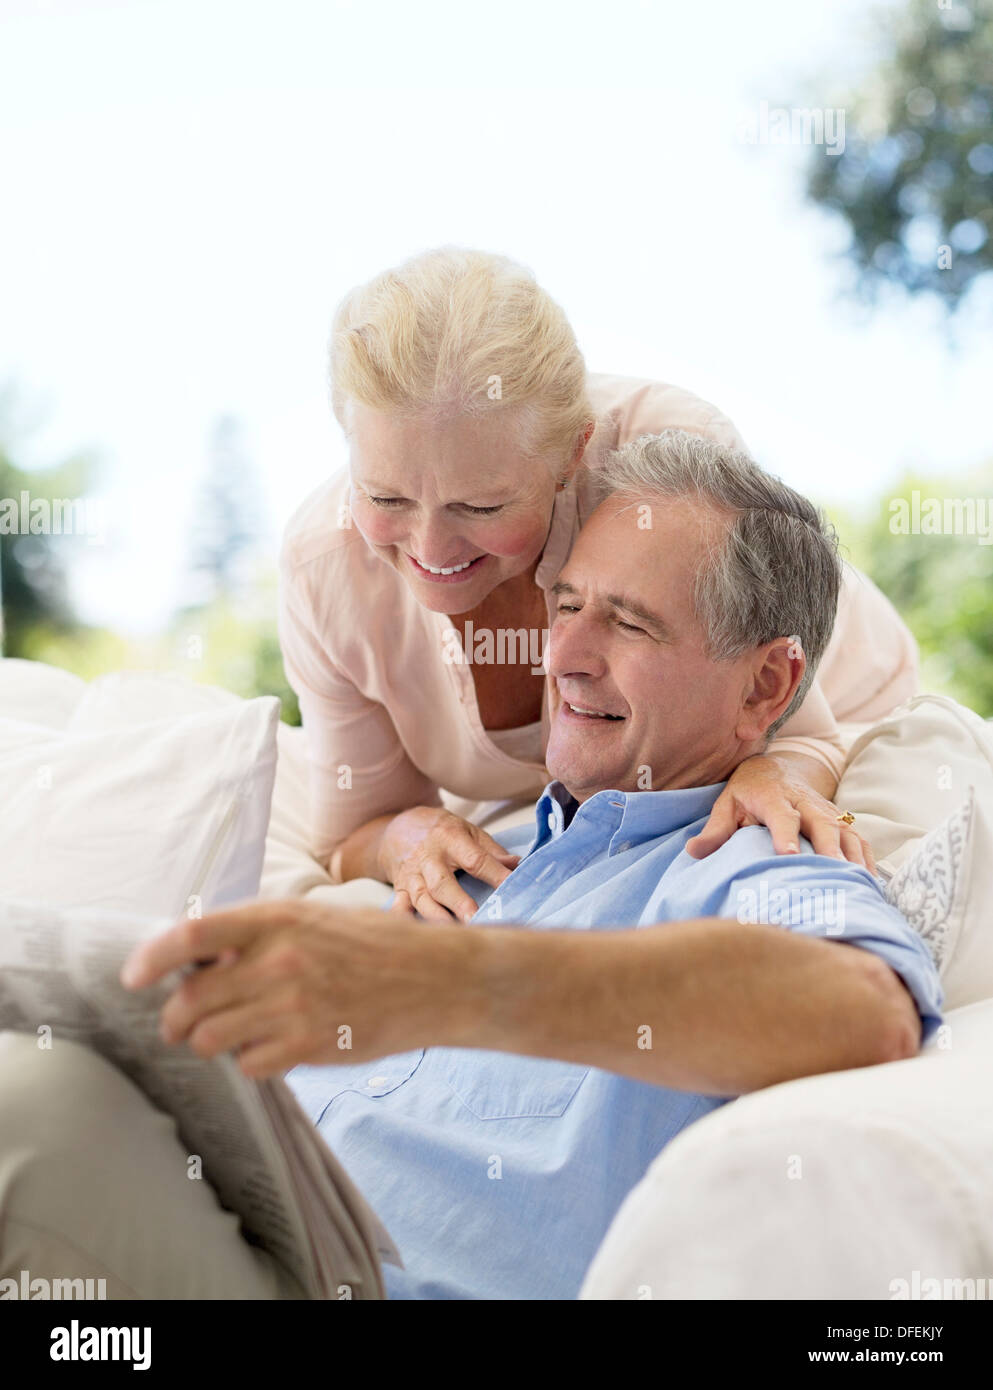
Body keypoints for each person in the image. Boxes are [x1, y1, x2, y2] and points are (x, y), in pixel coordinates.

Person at [0, 429, 939, 1301]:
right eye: (565, 604)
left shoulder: (740, 863)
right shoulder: (488, 855)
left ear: (764, 684)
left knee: (35, 1109)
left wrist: (448, 982)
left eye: (630, 624)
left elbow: (860, 1009)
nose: (563, 656)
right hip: (234, 1215)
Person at [279, 246, 917, 921]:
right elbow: (355, 831)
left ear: (572, 454)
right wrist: (405, 837)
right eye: (385, 497)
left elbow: (795, 735)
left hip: (838, 716)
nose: (430, 550)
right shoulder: (326, 568)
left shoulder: (669, 456)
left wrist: (773, 771)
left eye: (482, 507)